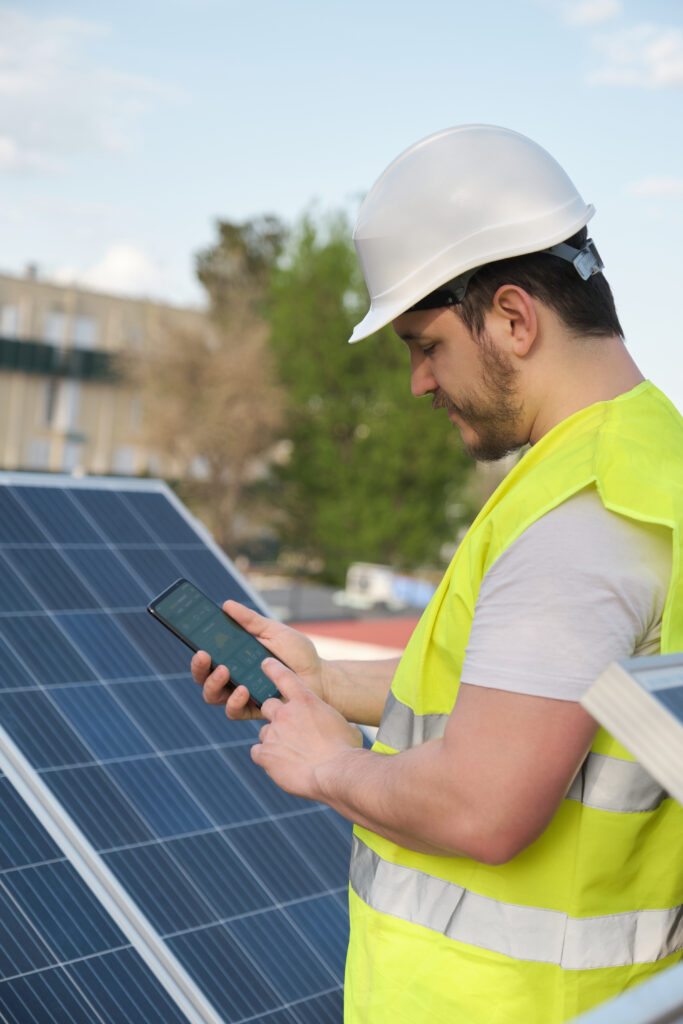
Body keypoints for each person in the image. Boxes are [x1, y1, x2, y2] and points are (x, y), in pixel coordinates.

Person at [192, 125, 683, 1023]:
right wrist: (326, 681)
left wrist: (331, 765)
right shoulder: (649, 460)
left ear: (511, 317)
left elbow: (480, 804)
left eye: (425, 344)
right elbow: (531, 695)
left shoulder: (582, 513)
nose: (419, 382)